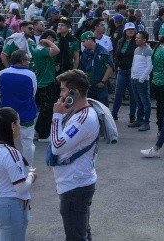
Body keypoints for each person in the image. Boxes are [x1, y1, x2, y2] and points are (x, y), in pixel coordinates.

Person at [51, 69, 100, 241]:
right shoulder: (78, 113)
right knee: (82, 232)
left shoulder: (83, 119)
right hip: (76, 183)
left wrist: (56, 116)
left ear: (75, 92)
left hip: (75, 186)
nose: (60, 94)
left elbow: (56, 146)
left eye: (63, 90)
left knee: (75, 236)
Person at [0, 107, 37, 241]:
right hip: (8, 208)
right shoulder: (10, 153)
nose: (20, 127)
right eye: (18, 123)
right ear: (12, 126)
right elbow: (21, 187)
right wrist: (31, 176)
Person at [0, 50, 38, 163]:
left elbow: (2, 92)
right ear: (22, 61)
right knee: (28, 144)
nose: (29, 62)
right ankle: (27, 168)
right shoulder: (30, 74)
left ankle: (8, 165)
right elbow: (33, 93)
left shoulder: (2, 73)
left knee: (6, 142)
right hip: (26, 113)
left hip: (5, 114)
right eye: (27, 60)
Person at [31, 30, 59, 144]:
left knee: (45, 108)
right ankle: (42, 133)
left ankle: (40, 131)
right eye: (53, 39)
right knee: (46, 109)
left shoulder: (40, 50)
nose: (54, 42)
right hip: (45, 82)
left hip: (46, 80)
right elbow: (56, 50)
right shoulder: (41, 49)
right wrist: (48, 41)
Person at [112, 22, 138, 124]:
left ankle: (132, 115)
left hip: (132, 71)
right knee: (118, 93)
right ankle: (114, 113)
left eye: (132, 29)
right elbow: (116, 55)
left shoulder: (136, 42)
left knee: (133, 94)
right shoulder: (120, 41)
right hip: (122, 70)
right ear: (125, 31)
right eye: (128, 29)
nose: (130, 31)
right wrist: (117, 66)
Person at [78, 32, 114, 106]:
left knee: (102, 108)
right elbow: (83, 68)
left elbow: (110, 67)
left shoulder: (102, 51)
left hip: (99, 87)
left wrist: (103, 82)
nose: (83, 44)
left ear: (90, 39)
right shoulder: (85, 52)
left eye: (84, 41)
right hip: (89, 86)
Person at [129, 31, 153, 131]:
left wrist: (142, 78)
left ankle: (146, 122)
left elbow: (150, 66)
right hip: (134, 78)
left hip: (141, 80)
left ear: (144, 40)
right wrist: (132, 75)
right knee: (138, 101)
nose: (136, 39)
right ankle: (139, 119)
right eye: (136, 37)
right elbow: (134, 63)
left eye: (138, 38)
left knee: (145, 101)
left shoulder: (148, 50)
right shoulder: (136, 50)